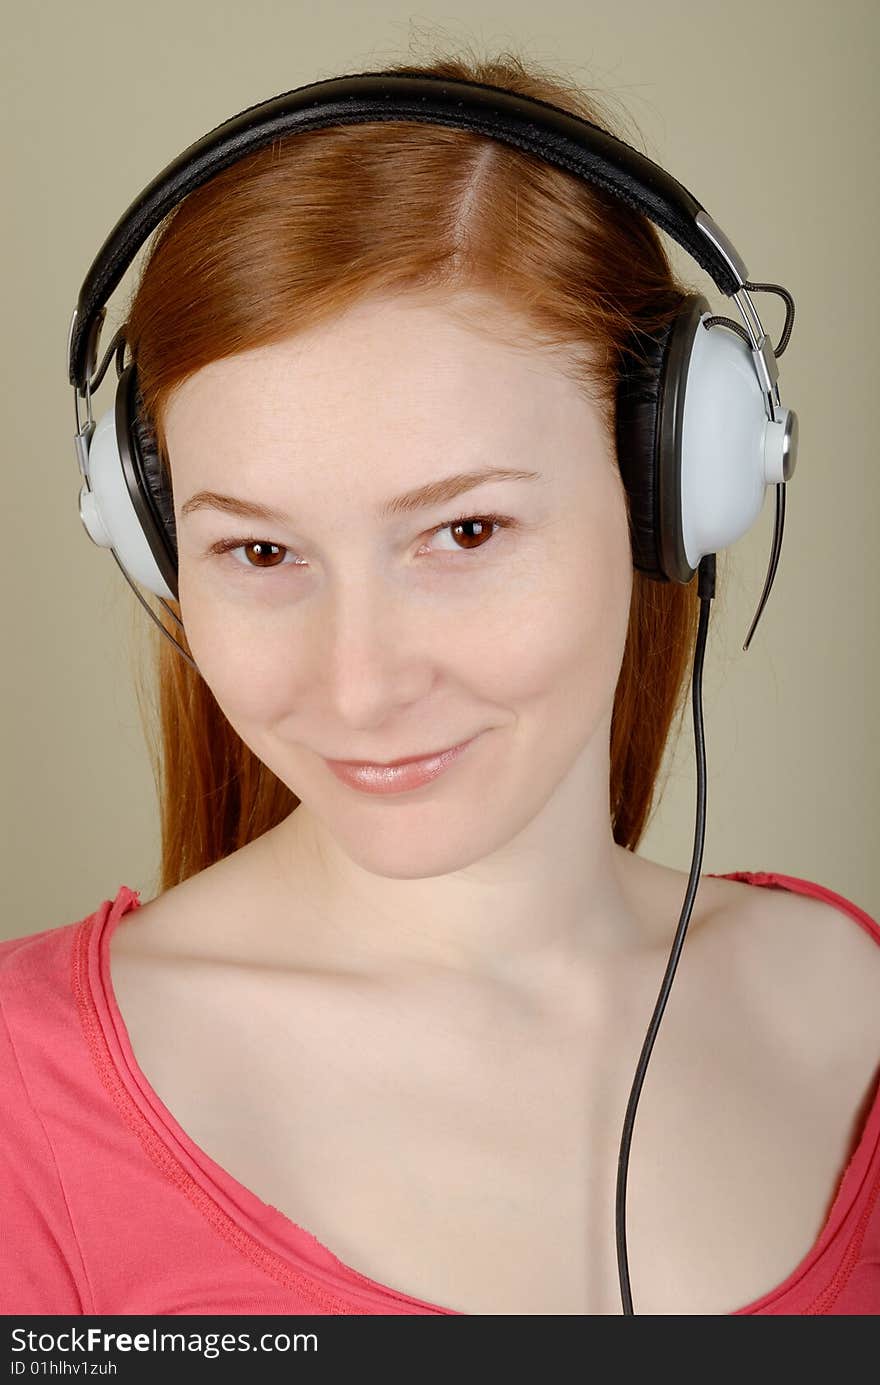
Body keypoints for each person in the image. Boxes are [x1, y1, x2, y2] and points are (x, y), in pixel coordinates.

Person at [2, 49, 878, 1317]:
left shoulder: (847, 1003)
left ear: (675, 490)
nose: (357, 686)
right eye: (259, 550)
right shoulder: (31, 1098)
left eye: (464, 533)